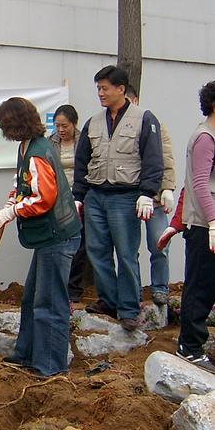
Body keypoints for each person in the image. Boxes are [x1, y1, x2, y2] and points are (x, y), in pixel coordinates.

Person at [0, 97, 81, 377]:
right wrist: (10, 203)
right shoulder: (26, 147)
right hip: (47, 237)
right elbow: (23, 185)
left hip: (58, 234)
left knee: (50, 302)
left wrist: (13, 212)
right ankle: (27, 353)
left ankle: (50, 365)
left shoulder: (39, 151)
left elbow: (44, 197)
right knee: (31, 298)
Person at [73, 65, 163, 331]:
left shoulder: (144, 119)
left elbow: (153, 160)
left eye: (105, 88)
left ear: (121, 89)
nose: (100, 93)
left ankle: (128, 308)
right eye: (98, 88)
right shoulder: (94, 122)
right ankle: (108, 300)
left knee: (125, 253)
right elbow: (82, 161)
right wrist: (79, 195)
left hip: (126, 196)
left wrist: (147, 193)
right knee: (97, 251)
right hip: (96, 194)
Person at [172, 81, 215, 373]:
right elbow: (200, 184)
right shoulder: (205, 138)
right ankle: (189, 347)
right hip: (205, 225)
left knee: (210, 284)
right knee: (200, 284)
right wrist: (214, 221)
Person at [125, 84, 176, 306]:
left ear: (135, 100)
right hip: (128, 196)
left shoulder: (154, 124)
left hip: (153, 197)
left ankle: (160, 287)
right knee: (129, 249)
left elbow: (166, 159)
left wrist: (167, 189)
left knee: (159, 243)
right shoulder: (114, 129)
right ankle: (133, 290)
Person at [49, 104, 92, 303]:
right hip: (57, 200)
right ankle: (57, 284)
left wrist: (79, 195)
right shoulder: (50, 142)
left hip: (79, 197)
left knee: (79, 244)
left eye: (64, 126)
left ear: (74, 124)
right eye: (57, 126)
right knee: (57, 243)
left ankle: (73, 287)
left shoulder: (85, 140)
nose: (61, 130)